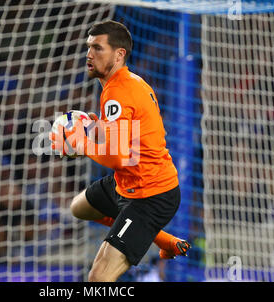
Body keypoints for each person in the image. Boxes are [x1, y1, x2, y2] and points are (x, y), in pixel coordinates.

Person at [50, 20, 190, 282]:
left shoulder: (117, 93)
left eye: (98, 48)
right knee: (80, 207)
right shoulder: (129, 82)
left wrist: (82, 144)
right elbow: (132, 137)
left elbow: (119, 157)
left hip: (150, 195)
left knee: (98, 279)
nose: (89, 54)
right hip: (127, 185)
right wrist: (98, 128)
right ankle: (163, 240)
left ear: (119, 54)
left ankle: (147, 230)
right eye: (89, 47)